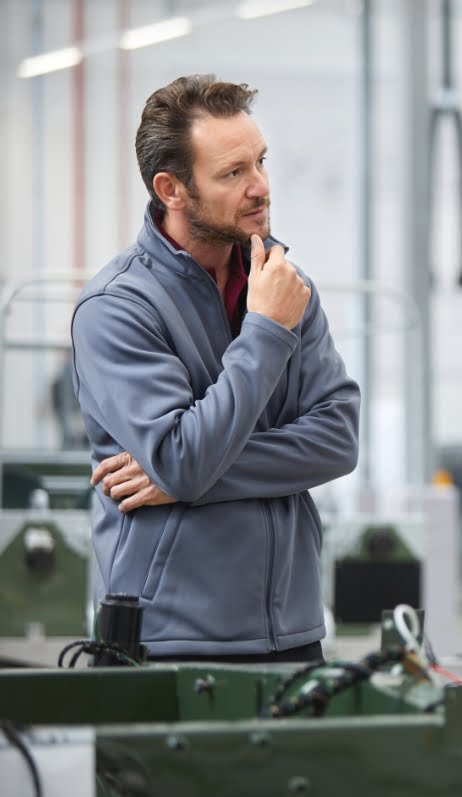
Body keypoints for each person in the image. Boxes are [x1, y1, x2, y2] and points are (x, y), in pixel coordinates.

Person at [70, 74, 360, 663]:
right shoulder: (117, 308)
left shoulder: (280, 282)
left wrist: (180, 481)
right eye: (233, 174)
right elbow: (182, 456)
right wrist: (267, 331)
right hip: (169, 637)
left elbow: (338, 441)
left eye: (260, 162)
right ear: (171, 189)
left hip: (294, 630)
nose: (260, 187)